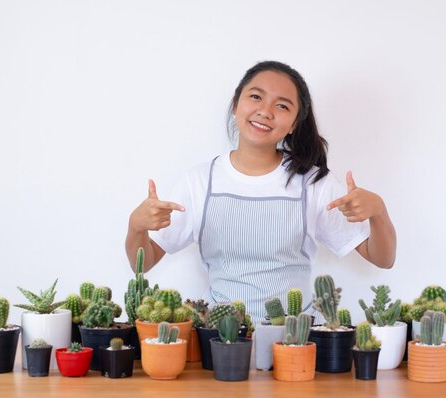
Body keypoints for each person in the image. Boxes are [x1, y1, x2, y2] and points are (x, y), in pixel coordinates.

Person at [125, 61, 396, 321]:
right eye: (256, 97)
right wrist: (136, 226)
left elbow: (382, 259)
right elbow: (144, 262)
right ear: (235, 105)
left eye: (282, 105)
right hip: (219, 340)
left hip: (295, 339)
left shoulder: (314, 183)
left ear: (293, 125)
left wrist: (378, 212)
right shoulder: (199, 181)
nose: (265, 111)